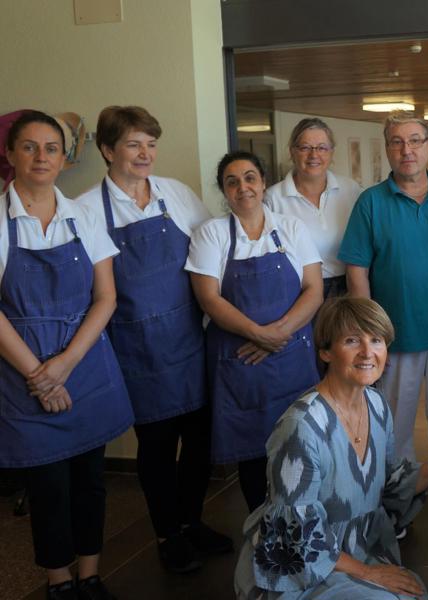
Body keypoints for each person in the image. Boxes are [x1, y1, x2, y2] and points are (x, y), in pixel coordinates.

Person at [234, 296, 428, 600]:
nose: (368, 352)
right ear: (325, 351)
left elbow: (390, 486)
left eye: (377, 340)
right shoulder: (301, 427)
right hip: (300, 570)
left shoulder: (377, 405)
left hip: (360, 551)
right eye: (352, 341)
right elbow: (295, 536)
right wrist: (369, 573)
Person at [75, 105, 231, 574]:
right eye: (133, 144)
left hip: (188, 339)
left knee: (201, 442)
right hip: (133, 350)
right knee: (157, 447)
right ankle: (167, 534)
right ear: (107, 150)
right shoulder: (84, 210)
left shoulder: (176, 195)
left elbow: (211, 250)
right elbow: (84, 284)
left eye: (150, 144)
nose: (145, 154)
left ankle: (192, 522)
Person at [0, 110, 133, 600]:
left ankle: (90, 573)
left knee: (90, 481)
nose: (41, 157)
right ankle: (58, 582)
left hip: (85, 364)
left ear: (63, 157)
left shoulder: (83, 215)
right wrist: (40, 374)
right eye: (30, 147)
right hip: (23, 374)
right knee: (48, 486)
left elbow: (106, 298)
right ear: (11, 155)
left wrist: (64, 365)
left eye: (51, 148)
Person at [340, 112, 428, 533]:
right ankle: (400, 501)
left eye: (415, 140)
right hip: (393, 339)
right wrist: (369, 338)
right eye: (397, 142)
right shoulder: (371, 202)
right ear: (387, 149)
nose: (406, 149)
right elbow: (356, 271)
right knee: (394, 428)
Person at [186, 151, 323, 512]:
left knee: (300, 444)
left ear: (263, 183)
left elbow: (313, 289)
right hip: (240, 362)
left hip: (291, 355)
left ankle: (302, 523)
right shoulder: (211, 234)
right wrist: (258, 334)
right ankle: (262, 531)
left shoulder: (291, 228)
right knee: (252, 451)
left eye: (249, 178)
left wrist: (278, 333)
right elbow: (209, 300)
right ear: (224, 191)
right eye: (232, 181)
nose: (242, 187)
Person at [265, 117, 361, 300]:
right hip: (298, 291)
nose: (314, 155)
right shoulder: (272, 199)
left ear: (331, 152)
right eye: (305, 147)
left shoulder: (351, 190)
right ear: (292, 152)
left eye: (322, 148)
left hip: (350, 287)